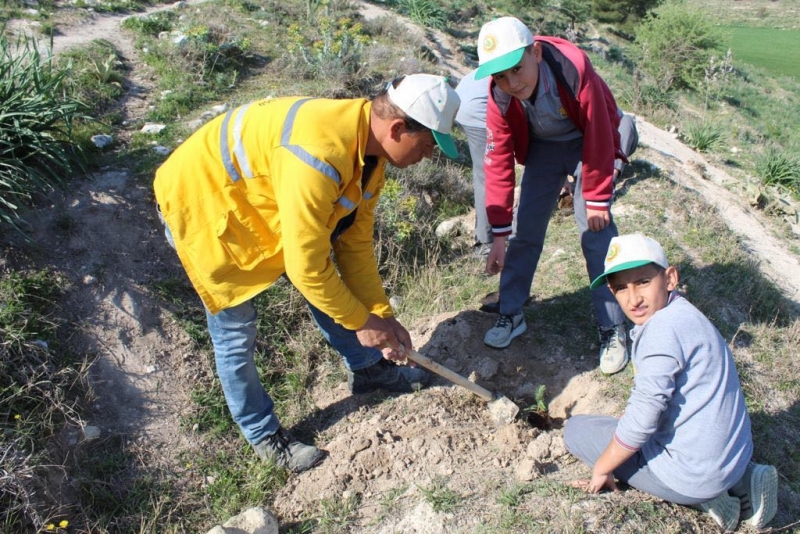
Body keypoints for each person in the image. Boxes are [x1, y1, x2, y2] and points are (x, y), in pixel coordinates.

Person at [153, 74, 461, 472]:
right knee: (235, 329)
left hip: (258, 199)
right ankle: (262, 434)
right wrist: (360, 322)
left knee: (328, 282)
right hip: (204, 202)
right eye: (430, 145)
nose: (431, 156)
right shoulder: (318, 153)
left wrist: (380, 314)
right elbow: (306, 267)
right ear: (398, 128)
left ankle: (368, 370)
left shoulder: (371, 153)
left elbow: (354, 245)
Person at [564, 233, 779, 531]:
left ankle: (705, 499)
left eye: (642, 282)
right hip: (735, 455)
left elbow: (641, 423)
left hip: (695, 474)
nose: (633, 298)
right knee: (620, 428)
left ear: (670, 278)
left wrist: (602, 467)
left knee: (576, 431)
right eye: (621, 288)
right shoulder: (686, 315)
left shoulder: (661, 332)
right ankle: (743, 479)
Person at [474, 16, 634, 375]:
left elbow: (598, 131)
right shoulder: (498, 93)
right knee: (524, 230)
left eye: (517, 69)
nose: (512, 83)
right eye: (500, 76)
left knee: (595, 232)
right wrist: (498, 232)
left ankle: (613, 326)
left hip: (586, 141)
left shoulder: (572, 68)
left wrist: (595, 197)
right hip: (545, 148)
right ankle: (511, 312)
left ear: (536, 52)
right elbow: (497, 158)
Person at [455, 69, 492, 257]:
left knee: (483, 173)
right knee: (488, 175)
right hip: (477, 111)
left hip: (461, 104)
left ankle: (487, 235)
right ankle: (485, 241)